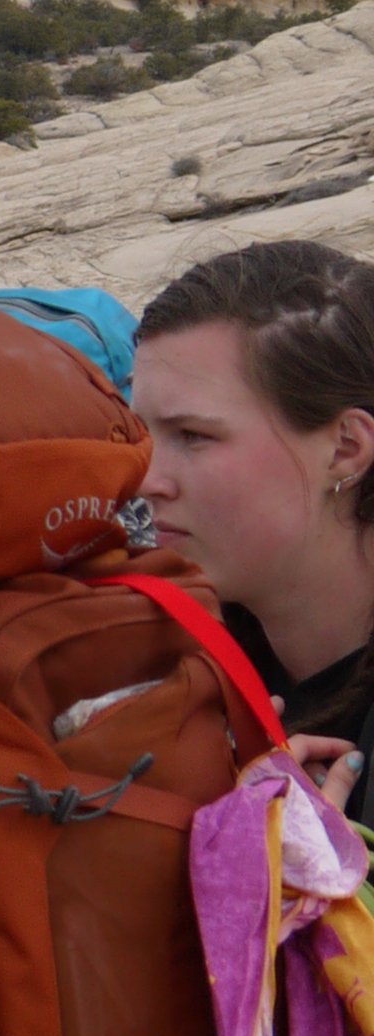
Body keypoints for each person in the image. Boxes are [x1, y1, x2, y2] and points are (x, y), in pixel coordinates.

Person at [134, 240, 374, 791]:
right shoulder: (169, 667)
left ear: (344, 448)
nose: (145, 478)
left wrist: (294, 875)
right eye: (140, 433)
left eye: (193, 436)